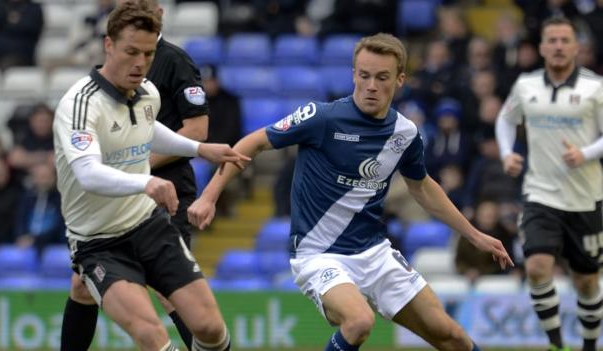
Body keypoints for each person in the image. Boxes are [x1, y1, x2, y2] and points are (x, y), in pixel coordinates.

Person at [188, 33, 513, 351]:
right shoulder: (322, 117)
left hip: (375, 253)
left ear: (400, 80)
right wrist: (209, 195)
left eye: (382, 77)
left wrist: (474, 235)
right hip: (318, 254)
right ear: (353, 75)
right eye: (364, 75)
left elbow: (423, 187)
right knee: (358, 322)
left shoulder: (405, 133)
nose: (371, 85)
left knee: (451, 336)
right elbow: (253, 143)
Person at [53, 2, 248, 350]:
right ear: (108, 45)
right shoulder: (79, 105)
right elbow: (88, 173)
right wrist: (147, 181)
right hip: (99, 242)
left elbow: (147, 128)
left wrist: (201, 150)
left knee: (210, 329)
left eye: (148, 53)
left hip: (148, 225)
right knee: (152, 336)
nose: (141, 62)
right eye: (131, 51)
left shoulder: (148, 93)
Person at [495, 16, 603, 351]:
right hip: (540, 194)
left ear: (576, 47)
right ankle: (556, 345)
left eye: (564, 40)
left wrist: (585, 154)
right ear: (541, 47)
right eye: (551, 40)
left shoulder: (595, 87)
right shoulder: (526, 85)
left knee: (587, 283)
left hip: (586, 198)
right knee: (538, 268)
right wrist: (505, 153)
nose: (558, 46)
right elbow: (504, 118)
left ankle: (588, 344)